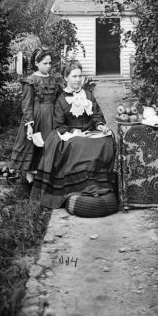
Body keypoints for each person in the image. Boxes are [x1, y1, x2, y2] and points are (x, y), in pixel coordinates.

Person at [30, 60, 117, 209]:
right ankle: (81, 185)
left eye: (79, 76)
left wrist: (100, 125)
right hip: (70, 134)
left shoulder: (88, 95)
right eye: (74, 76)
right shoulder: (61, 100)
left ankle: (98, 183)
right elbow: (59, 124)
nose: (78, 80)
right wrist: (74, 132)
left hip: (89, 130)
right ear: (66, 78)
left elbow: (96, 115)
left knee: (107, 140)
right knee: (79, 143)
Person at [8, 48, 62, 182]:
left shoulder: (53, 80)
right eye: (45, 63)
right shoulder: (31, 80)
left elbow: (60, 97)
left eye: (50, 63)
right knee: (34, 146)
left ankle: (47, 178)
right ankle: (30, 181)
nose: (48, 66)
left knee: (49, 145)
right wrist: (29, 124)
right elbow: (27, 104)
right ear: (37, 63)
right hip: (37, 118)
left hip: (52, 117)